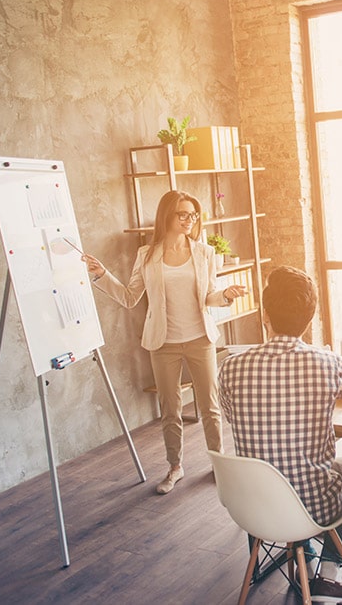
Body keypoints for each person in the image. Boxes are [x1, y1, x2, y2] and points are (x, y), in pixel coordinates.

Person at [83, 189, 245, 495]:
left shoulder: (204, 253)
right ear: (166, 216)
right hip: (163, 342)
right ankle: (174, 467)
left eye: (193, 215)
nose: (188, 220)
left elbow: (209, 295)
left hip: (200, 339)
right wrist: (103, 274)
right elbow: (131, 298)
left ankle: (219, 464)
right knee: (170, 409)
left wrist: (224, 295)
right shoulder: (147, 254)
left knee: (210, 406)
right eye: (182, 214)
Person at [219, 266, 342, 605]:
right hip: (312, 507)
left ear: (265, 316)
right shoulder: (330, 363)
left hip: (250, 506)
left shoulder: (230, 366)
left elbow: (230, 415)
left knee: (279, 464)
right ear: (310, 320)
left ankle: (303, 556)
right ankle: (327, 574)